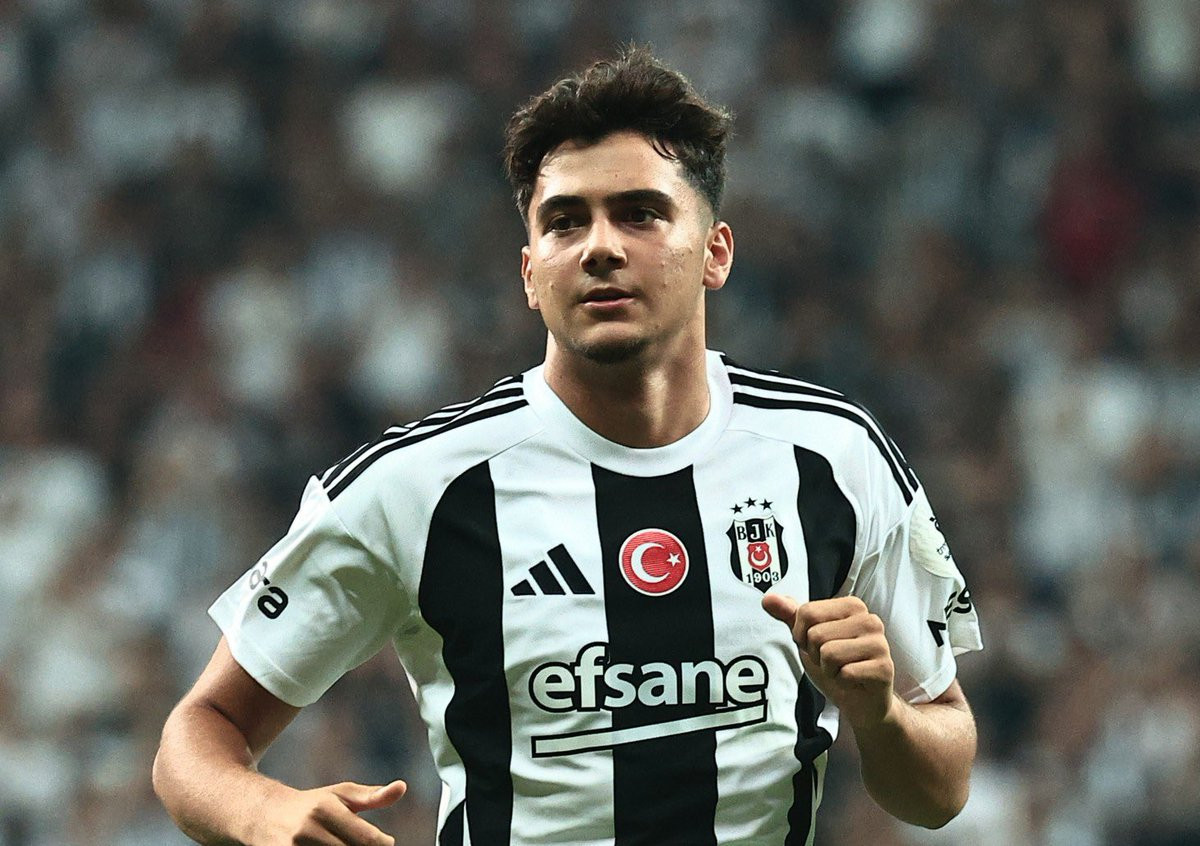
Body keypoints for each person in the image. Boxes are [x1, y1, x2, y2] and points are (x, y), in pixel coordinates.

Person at [153, 46, 982, 846]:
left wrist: (879, 714)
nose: (601, 247)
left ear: (715, 253)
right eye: (565, 222)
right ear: (530, 273)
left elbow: (942, 789)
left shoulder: (834, 457)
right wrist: (258, 811)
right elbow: (197, 735)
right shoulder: (421, 486)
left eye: (640, 213)